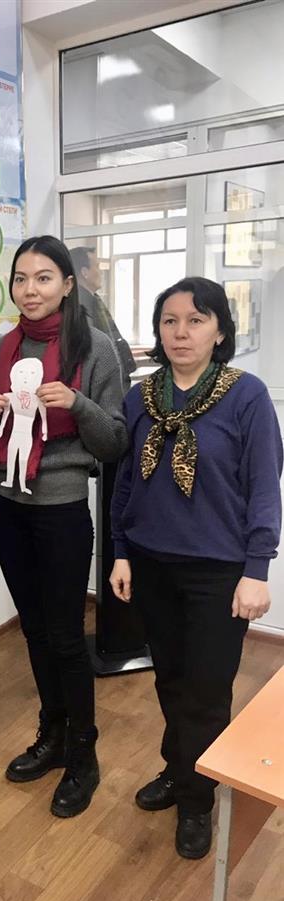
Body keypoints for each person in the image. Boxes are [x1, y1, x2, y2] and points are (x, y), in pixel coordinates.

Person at [110, 277, 282, 859]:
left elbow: (264, 486)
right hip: (152, 563)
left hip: (218, 570)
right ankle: (181, 767)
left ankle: (196, 800)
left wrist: (257, 568)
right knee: (170, 678)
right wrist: (121, 550)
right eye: (170, 321)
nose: (181, 332)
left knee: (206, 689)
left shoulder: (246, 395)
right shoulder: (142, 397)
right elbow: (127, 482)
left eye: (196, 320)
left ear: (220, 332)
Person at [0, 235, 127, 818]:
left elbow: (114, 443)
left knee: (65, 635)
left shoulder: (96, 348)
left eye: (43, 278)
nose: (30, 289)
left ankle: (83, 753)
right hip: (9, 508)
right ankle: (53, 733)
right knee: (34, 631)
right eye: (20, 278)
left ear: (67, 284)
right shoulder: (1, 351)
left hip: (61, 508)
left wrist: (78, 403)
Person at [70, 245, 136, 393]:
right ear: (85, 273)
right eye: (97, 267)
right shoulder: (79, 306)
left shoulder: (94, 300)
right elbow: (89, 352)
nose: (100, 272)